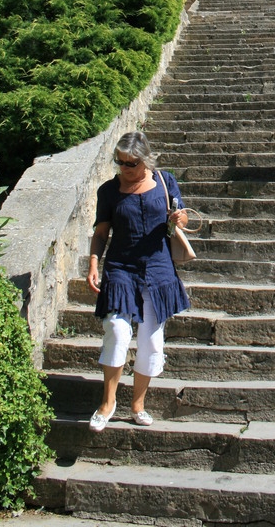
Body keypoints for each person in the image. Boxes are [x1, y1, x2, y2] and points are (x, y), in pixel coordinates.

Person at [86, 130, 190, 432]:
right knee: (117, 331)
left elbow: (181, 217)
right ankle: (108, 403)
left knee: (151, 341)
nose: (124, 169)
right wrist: (94, 262)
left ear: (145, 160)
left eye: (130, 164)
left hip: (158, 269)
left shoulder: (166, 182)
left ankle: (137, 404)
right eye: (119, 162)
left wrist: (178, 218)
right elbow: (101, 233)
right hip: (120, 268)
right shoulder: (108, 191)